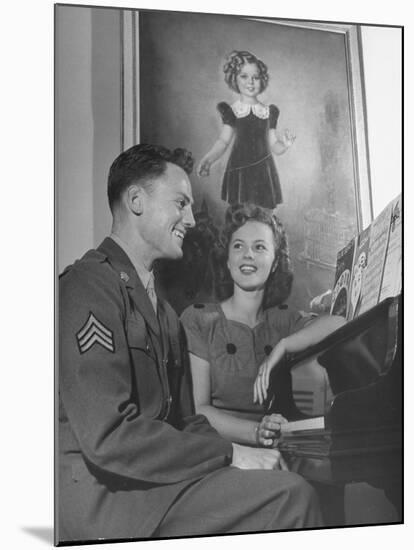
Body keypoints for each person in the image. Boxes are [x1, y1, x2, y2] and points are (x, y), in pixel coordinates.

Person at [58, 144, 323, 544]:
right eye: (181, 203)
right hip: (108, 500)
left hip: (154, 486)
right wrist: (232, 455)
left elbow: (189, 421)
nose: (192, 219)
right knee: (292, 498)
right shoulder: (86, 287)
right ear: (136, 201)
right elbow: (108, 437)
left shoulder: (163, 311)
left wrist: (242, 458)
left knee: (282, 481)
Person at [181, 203, 345, 447]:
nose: (248, 254)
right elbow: (199, 410)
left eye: (259, 247)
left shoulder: (284, 320)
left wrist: (284, 345)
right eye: (238, 246)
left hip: (275, 452)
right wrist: (258, 431)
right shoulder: (198, 319)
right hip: (220, 453)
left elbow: (338, 323)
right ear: (227, 260)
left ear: (276, 261)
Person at [197, 50, 295, 209]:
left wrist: (285, 145)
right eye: (244, 76)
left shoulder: (269, 112)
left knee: (263, 214)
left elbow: (274, 146)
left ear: (262, 80)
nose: (250, 82)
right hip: (240, 171)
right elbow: (223, 141)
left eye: (255, 77)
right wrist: (209, 159)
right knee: (240, 213)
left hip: (264, 171)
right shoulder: (232, 111)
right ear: (234, 79)